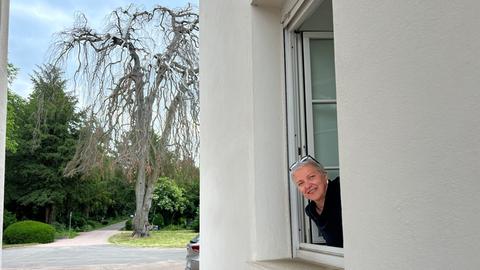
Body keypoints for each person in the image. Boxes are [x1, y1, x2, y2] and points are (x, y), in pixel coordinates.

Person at [289, 155, 343, 248]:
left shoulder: (341, 189)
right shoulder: (311, 210)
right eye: (301, 183)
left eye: (311, 177)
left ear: (325, 176)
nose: (307, 186)